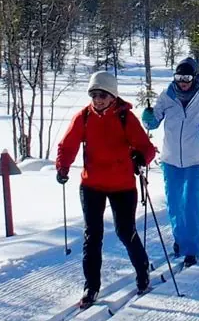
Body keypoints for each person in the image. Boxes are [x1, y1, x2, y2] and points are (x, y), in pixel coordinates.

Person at [56, 71, 159, 307]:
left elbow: (147, 147)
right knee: (92, 236)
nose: (98, 99)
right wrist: (62, 167)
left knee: (125, 232)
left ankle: (142, 272)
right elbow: (68, 144)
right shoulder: (83, 117)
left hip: (122, 186)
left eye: (102, 94)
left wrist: (140, 157)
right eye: (94, 94)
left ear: (113, 96)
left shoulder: (125, 117)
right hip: (91, 184)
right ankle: (91, 287)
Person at [142, 57, 199, 268]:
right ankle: (179, 240)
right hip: (170, 160)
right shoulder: (167, 96)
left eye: (187, 78)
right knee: (174, 203)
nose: (183, 82)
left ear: (194, 77)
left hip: (196, 159)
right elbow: (154, 120)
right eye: (179, 78)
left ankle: (191, 249)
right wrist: (149, 118)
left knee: (190, 202)